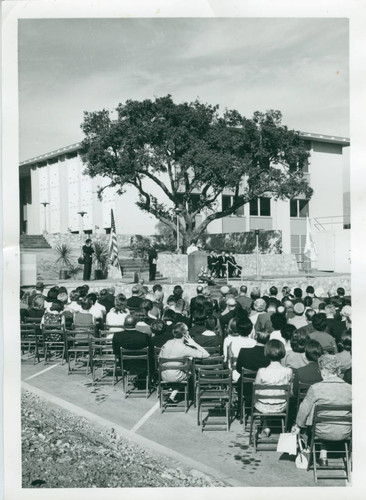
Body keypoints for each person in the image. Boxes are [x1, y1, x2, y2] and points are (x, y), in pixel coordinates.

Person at [293, 354, 352, 466]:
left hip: (321, 432)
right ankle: (324, 455)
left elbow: (303, 409)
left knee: (318, 417)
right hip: (345, 431)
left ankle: (322, 456)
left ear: (324, 371)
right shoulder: (350, 389)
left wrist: (298, 426)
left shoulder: (316, 388)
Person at [254, 339, 293, 437]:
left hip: (263, 406)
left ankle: (266, 425)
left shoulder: (262, 371)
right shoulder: (288, 371)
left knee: (266, 398)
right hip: (281, 406)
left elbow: (256, 392)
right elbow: (290, 392)